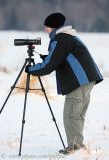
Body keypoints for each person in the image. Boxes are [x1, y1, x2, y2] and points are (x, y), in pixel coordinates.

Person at [25, 12, 103, 155]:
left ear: (52, 27)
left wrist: (31, 69)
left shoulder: (60, 39)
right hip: (88, 79)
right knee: (77, 114)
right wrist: (48, 57)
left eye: (46, 27)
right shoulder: (69, 36)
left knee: (71, 115)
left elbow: (48, 66)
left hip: (79, 80)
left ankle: (74, 147)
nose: (45, 29)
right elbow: (60, 58)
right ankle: (77, 144)